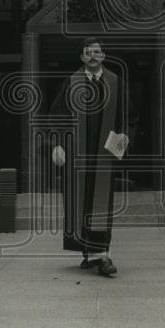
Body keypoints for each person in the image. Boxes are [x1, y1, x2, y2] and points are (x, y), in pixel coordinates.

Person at [48, 37, 131, 277]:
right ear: (82, 57)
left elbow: (129, 116)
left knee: (100, 204)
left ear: (103, 55)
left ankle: (100, 254)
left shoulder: (116, 83)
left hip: (104, 155)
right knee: (78, 203)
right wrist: (57, 145)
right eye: (88, 52)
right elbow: (57, 117)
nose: (92, 55)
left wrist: (125, 135)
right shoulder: (71, 82)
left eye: (96, 51)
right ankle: (87, 251)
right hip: (76, 154)